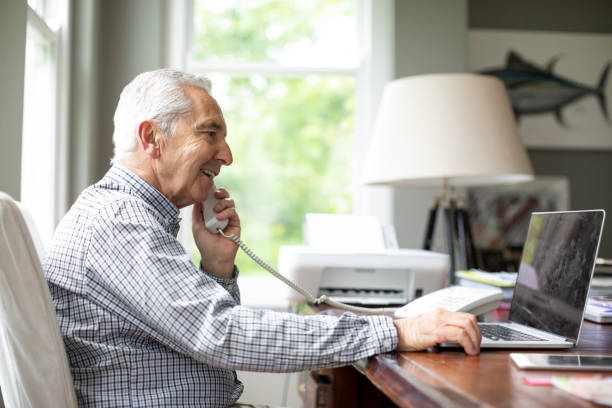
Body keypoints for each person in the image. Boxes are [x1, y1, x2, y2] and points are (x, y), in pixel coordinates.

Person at [44, 68, 481, 407]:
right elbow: (223, 335)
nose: (227, 156)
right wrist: (394, 332)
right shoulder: (120, 220)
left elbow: (199, 333)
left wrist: (217, 267)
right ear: (152, 138)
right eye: (210, 134)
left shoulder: (127, 216)